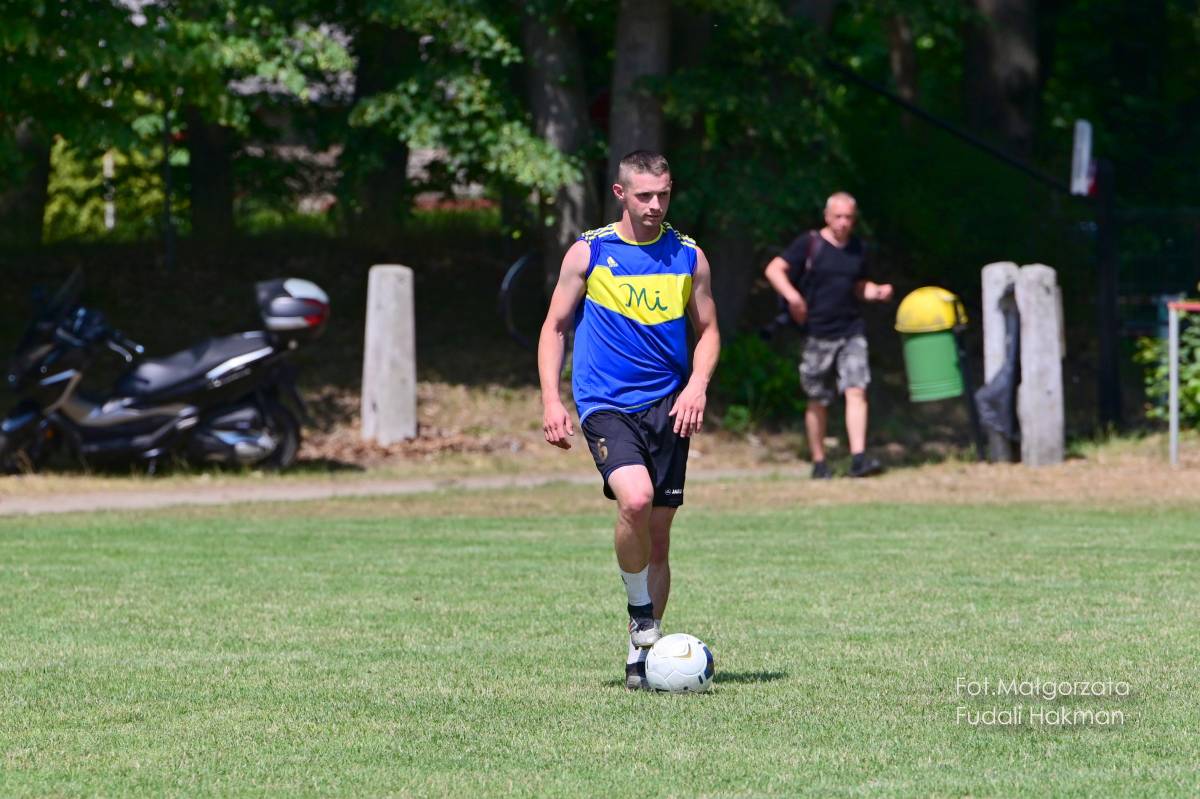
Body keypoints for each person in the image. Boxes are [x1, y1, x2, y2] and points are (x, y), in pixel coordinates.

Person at [538, 150, 720, 691]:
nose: (655, 204)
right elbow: (554, 327)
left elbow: (709, 331)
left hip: (669, 406)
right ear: (621, 194)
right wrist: (551, 400)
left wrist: (697, 385)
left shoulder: (688, 256)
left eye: (664, 193)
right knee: (635, 500)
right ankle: (641, 614)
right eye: (645, 195)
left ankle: (641, 656)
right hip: (606, 402)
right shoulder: (590, 252)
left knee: (658, 539)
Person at [763, 192, 893, 479]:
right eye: (838, 217)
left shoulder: (858, 248)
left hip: (851, 330)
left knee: (856, 389)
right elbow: (774, 270)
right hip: (817, 333)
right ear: (827, 217)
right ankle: (820, 462)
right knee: (818, 398)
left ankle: (858, 459)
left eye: (849, 217)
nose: (844, 222)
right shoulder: (810, 243)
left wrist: (876, 292)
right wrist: (794, 298)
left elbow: (859, 286)